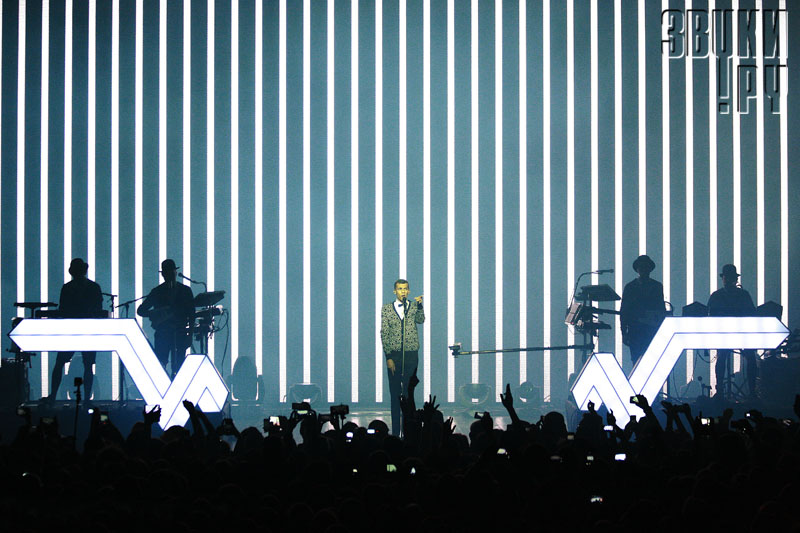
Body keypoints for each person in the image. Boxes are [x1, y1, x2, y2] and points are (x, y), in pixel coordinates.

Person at [49, 258, 104, 401]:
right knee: (87, 365)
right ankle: (86, 400)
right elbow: (98, 309)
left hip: (72, 330)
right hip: (85, 330)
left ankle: (54, 396)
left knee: (60, 363)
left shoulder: (68, 288)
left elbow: (63, 309)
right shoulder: (93, 287)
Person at [380, 279, 425, 436]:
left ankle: (409, 432)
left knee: (408, 392)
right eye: (400, 289)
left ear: (409, 291)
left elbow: (421, 320)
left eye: (405, 289)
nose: (403, 291)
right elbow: (384, 333)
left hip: (411, 354)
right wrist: (388, 356)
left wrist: (420, 306)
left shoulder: (413, 306)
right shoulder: (386, 309)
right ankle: (395, 431)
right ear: (395, 291)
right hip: (395, 355)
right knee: (395, 393)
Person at [137, 259, 195, 378]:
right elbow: (141, 310)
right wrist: (155, 313)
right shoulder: (158, 291)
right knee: (161, 365)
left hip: (179, 332)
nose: (170, 275)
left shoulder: (184, 291)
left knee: (179, 366)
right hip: (165, 333)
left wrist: (190, 334)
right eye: (167, 273)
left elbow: (191, 314)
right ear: (164, 274)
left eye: (171, 272)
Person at [708, 264, 757, 399]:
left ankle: (722, 391)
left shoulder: (717, 295)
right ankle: (751, 392)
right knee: (747, 358)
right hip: (735, 334)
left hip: (738, 333)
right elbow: (753, 314)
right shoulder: (742, 294)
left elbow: (710, 315)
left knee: (723, 358)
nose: (728, 280)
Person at [619, 255, 666, 365]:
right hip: (637, 330)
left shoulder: (655, 286)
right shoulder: (632, 287)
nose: (644, 269)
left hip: (649, 329)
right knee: (637, 360)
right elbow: (624, 311)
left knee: (650, 361)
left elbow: (661, 309)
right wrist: (624, 332)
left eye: (646, 267)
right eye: (642, 267)